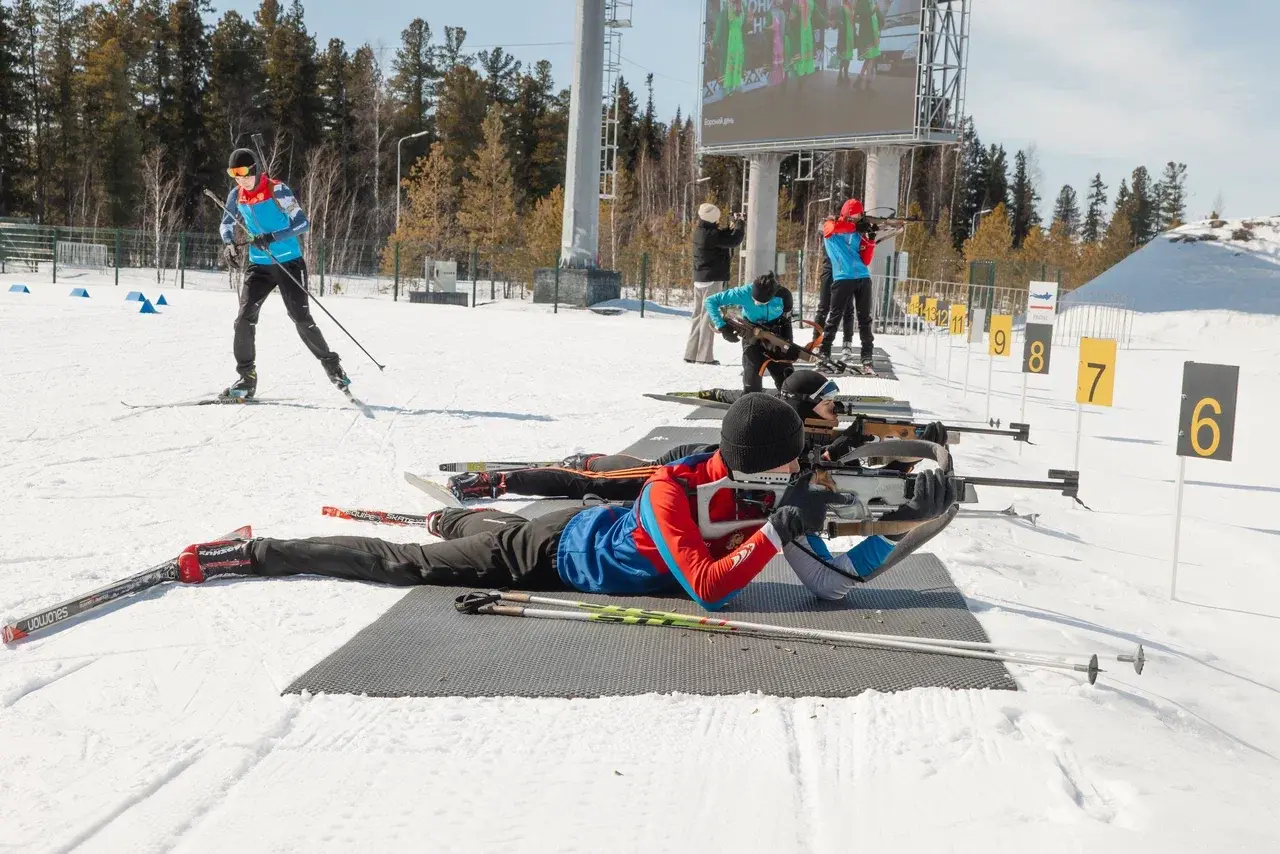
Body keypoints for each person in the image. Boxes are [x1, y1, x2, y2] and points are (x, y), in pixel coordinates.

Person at [175, 395, 956, 610]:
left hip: (571, 536)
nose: (796, 476)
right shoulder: (672, 491)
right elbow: (710, 590)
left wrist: (915, 522)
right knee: (407, 565)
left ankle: (456, 514)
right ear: (755, 462)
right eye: (787, 466)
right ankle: (257, 551)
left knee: (473, 528)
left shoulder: (771, 489)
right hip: (546, 556)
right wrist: (778, 529)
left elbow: (832, 582)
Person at [445, 370, 947, 502]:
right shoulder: (788, 428)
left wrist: (903, 459)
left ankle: (591, 460)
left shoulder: (805, 435)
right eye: (828, 401)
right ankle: (502, 481)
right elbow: (834, 457)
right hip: (685, 468)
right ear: (803, 405)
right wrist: (860, 443)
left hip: (710, 476)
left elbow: (847, 471)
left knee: (605, 482)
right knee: (595, 484)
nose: (835, 409)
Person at [219, 148, 349, 400]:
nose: (240, 179)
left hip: (289, 263)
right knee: (243, 320)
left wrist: (273, 236)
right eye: (234, 174)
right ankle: (247, 379)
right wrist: (229, 243)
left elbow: (302, 223)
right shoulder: (237, 194)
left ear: (254, 169)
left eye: (243, 173)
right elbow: (226, 222)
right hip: (259, 266)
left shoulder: (278, 190)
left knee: (301, 319)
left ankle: (332, 366)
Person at [818, 198, 900, 369]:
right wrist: (857, 227)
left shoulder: (857, 233)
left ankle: (867, 356)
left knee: (865, 319)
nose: (856, 219)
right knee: (834, 317)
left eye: (859, 216)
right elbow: (832, 228)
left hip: (862, 276)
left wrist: (870, 240)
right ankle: (824, 352)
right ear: (846, 214)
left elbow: (865, 259)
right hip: (842, 277)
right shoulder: (830, 225)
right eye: (853, 215)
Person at [705, 271, 796, 392]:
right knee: (752, 385)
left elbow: (786, 321)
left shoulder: (784, 295)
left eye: (760, 302)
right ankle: (739, 398)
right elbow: (710, 301)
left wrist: (788, 344)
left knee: (789, 385)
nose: (755, 303)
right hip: (752, 335)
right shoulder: (743, 292)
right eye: (754, 299)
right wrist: (722, 326)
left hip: (776, 336)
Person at [687, 203, 745, 365]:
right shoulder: (711, 235)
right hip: (711, 278)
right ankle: (705, 357)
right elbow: (734, 240)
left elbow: (721, 236)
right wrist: (740, 224)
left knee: (698, 315)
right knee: (708, 317)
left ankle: (691, 353)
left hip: (700, 278)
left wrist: (732, 224)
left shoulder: (700, 231)